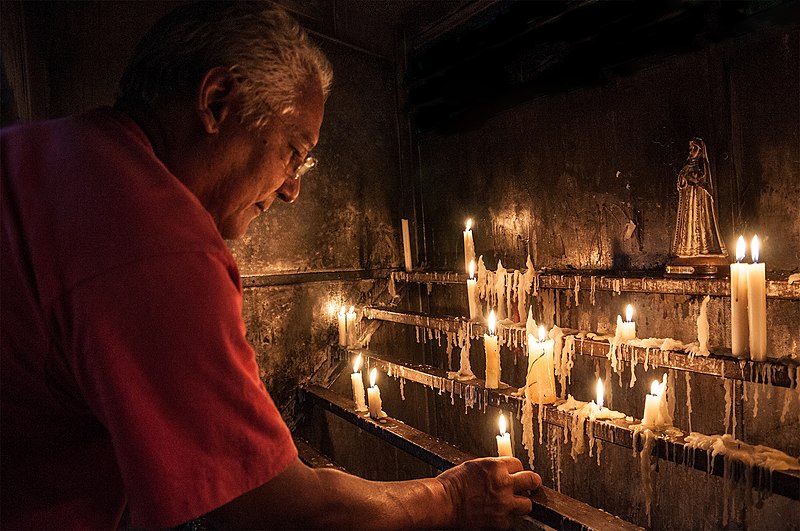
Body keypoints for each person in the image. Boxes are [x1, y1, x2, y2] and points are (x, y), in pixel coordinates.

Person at [0, 2, 541, 529]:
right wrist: (451, 496)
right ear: (215, 102)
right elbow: (278, 510)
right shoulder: (154, 242)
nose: (292, 188)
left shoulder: (43, 153)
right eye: (293, 150)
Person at [670, 138, 727, 258]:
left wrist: (693, 180)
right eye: (690, 149)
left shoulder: (702, 166)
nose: (691, 152)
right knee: (688, 225)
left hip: (700, 202)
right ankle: (688, 249)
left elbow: (703, 181)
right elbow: (681, 183)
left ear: (701, 151)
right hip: (689, 202)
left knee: (701, 224)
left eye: (694, 149)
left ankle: (704, 248)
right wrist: (684, 181)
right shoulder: (687, 167)